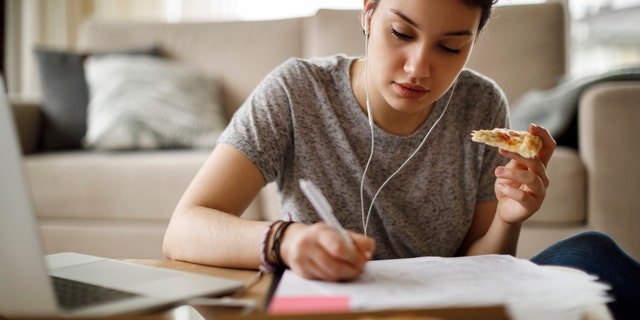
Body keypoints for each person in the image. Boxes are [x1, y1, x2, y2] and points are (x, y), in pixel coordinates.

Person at [163, 0, 639, 318]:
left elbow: (482, 267)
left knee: (592, 252)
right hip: (337, 309)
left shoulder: (480, 103)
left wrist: (509, 219)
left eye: (451, 47)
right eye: (400, 33)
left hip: (440, 310)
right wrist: (286, 241)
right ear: (368, 11)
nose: (419, 68)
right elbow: (185, 228)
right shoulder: (297, 92)